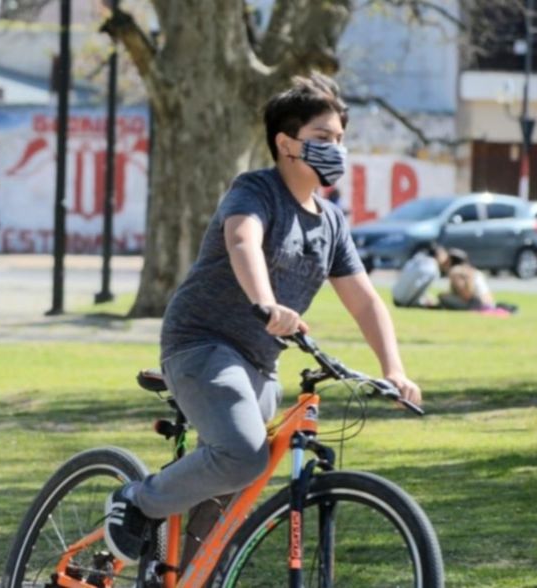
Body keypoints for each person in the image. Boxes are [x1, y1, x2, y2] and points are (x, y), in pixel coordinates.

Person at [102, 74, 422, 563]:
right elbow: (242, 240)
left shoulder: (332, 222)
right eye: (322, 138)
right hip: (202, 343)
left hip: (260, 363)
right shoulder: (256, 190)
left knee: (235, 485)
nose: (336, 149)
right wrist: (267, 302)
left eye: (340, 139)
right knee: (242, 455)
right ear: (286, 143)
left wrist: (394, 369)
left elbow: (365, 302)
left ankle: (191, 571)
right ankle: (137, 501)